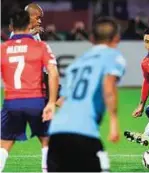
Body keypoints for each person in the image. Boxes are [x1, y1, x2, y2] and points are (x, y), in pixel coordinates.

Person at [47, 17, 126, 172]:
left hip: (57, 133)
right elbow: (108, 86)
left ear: (91, 38)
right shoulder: (113, 56)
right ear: (116, 38)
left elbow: (61, 100)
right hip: (84, 134)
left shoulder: (77, 63)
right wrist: (114, 122)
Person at [0, 11, 59, 172]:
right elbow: (53, 72)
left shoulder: (3, 48)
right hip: (36, 101)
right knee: (47, 141)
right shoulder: (40, 46)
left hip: (11, 103)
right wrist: (52, 102)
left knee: (4, 144)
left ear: (11, 27)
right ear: (28, 25)